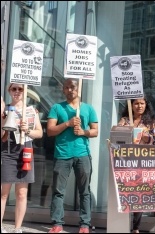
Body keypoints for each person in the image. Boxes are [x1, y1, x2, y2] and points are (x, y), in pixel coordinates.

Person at [46, 78, 98, 233]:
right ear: (63, 90)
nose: (70, 90)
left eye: (73, 87)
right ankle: (57, 223)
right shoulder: (57, 108)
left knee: (85, 191)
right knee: (58, 191)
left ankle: (85, 225)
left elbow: (95, 131)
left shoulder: (88, 109)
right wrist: (67, 124)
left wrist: (83, 132)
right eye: (67, 87)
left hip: (83, 155)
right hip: (62, 154)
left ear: (78, 89)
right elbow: (50, 131)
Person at [1, 83, 43, 233]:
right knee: (3, 192)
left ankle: (17, 228)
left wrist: (28, 130)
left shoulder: (31, 111)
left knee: (22, 192)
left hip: (25, 151)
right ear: (9, 91)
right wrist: (3, 118)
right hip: (7, 151)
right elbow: (1, 137)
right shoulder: (4, 110)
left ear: (25, 91)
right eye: (14, 89)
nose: (17, 92)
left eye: (20, 89)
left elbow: (39, 133)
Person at [117, 96, 155, 233]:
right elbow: (116, 138)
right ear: (131, 105)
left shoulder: (151, 123)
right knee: (125, 193)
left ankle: (136, 227)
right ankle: (122, 224)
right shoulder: (124, 120)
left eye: (142, 103)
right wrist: (125, 131)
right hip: (125, 162)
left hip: (142, 162)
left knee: (139, 195)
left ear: (146, 105)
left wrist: (147, 138)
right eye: (136, 103)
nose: (139, 106)